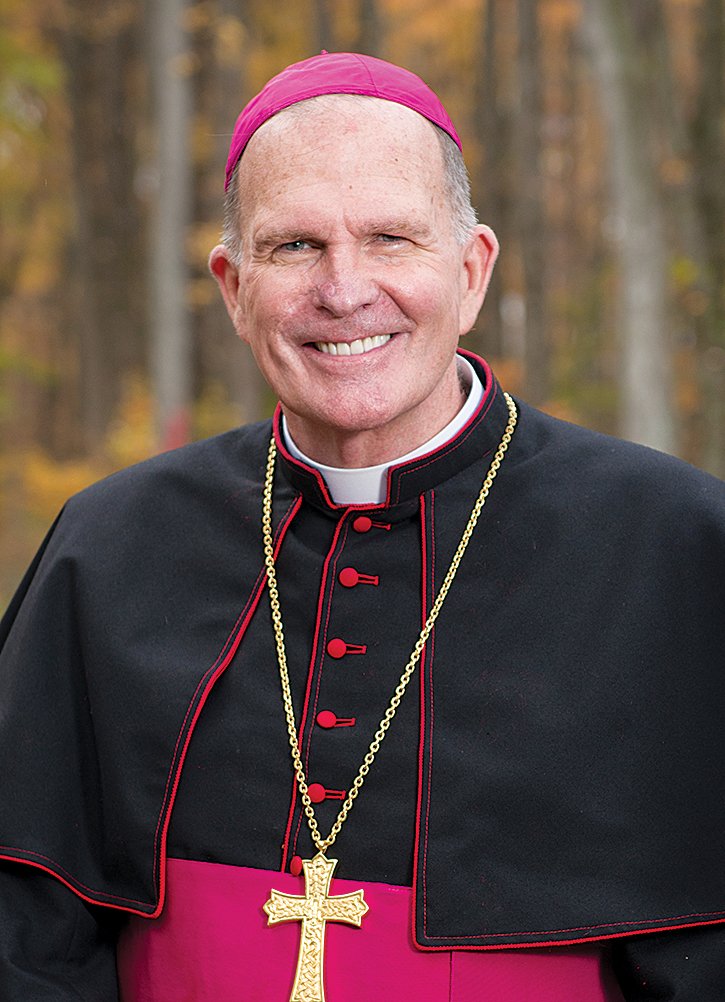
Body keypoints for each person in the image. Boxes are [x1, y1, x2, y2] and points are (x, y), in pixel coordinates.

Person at [1, 51, 724, 1002]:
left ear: (471, 272)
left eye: (390, 238)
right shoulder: (109, 546)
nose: (344, 291)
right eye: (293, 246)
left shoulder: (673, 544)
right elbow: (26, 936)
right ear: (231, 287)